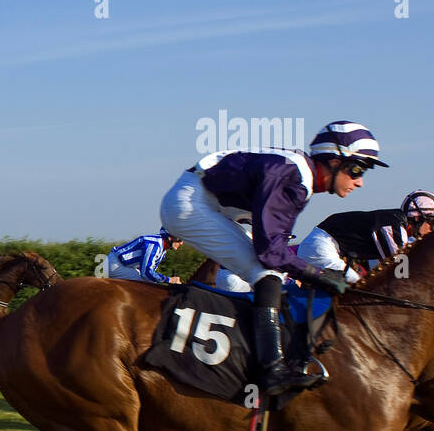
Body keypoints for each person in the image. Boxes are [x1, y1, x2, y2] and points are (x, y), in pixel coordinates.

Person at [160, 121, 384, 395]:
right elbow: (270, 253)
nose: (359, 181)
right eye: (357, 169)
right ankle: (271, 369)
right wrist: (319, 275)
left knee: (269, 275)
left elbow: (271, 248)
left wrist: (315, 274)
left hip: (206, 200)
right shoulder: (293, 175)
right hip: (192, 204)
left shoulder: (298, 176)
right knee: (266, 273)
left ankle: (268, 360)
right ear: (334, 160)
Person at [298, 190, 434, 285]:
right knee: (361, 287)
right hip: (320, 247)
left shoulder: (396, 223)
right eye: (432, 222)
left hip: (325, 245)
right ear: (417, 217)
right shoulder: (394, 225)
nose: (433, 228)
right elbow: (401, 271)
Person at [108, 228, 183, 284]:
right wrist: (168, 280)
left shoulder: (163, 251)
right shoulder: (154, 245)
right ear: (169, 237)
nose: (181, 243)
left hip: (123, 265)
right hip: (116, 265)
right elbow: (146, 273)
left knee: (152, 284)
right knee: (147, 285)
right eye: (179, 239)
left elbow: (151, 273)